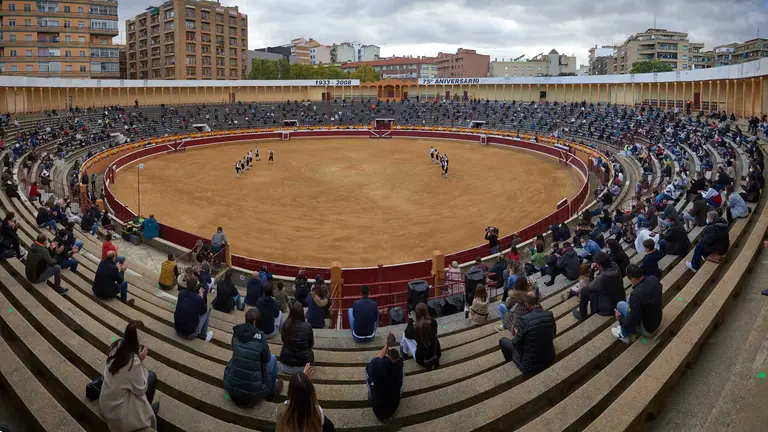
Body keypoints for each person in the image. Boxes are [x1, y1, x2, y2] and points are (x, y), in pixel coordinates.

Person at [99, 320, 159, 432]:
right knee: (151, 377)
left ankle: (147, 410)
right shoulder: (133, 362)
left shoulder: (116, 345)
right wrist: (140, 361)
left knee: (147, 378)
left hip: (106, 401)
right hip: (117, 413)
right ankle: (147, 412)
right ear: (138, 343)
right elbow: (141, 389)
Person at [223, 308, 283, 407]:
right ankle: (271, 392)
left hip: (232, 390)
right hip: (253, 395)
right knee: (272, 358)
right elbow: (266, 359)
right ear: (255, 322)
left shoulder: (236, 332)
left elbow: (234, 349)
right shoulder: (261, 337)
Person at [498, 290, 556, 375]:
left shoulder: (525, 320)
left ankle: (511, 363)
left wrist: (518, 333)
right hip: (549, 358)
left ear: (527, 305)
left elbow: (516, 344)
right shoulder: (549, 314)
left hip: (529, 365)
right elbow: (553, 334)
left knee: (502, 341)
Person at [611, 264, 662, 344]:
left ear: (633, 279)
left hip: (648, 329)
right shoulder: (653, 279)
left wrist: (620, 318)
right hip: (657, 319)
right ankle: (630, 331)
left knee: (620, 305)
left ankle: (624, 334)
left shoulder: (636, 295)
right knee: (629, 298)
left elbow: (633, 320)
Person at [275, 366, 334, 431]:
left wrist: (302, 382)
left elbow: (290, 402)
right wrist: (305, 383)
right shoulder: (318, 412)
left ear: (290, 391)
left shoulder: (280, 410)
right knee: (328, 426)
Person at [573, 252, 625, 321]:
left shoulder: (602, 278)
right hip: (619, 298)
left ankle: (582, 316)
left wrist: (591, 270)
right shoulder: (615, 266)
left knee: (584, 291)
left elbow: (589, 285)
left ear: (600, 265)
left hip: (609, 307)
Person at [365, 333, 404, 421]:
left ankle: (371, 394)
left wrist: (387, 345)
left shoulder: (376, 365)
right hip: (393, 407)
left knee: (368, 372)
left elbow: (375, 361)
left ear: (387, 354)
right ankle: (400, 392)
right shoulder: (400, 365)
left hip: (378, 410)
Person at [279, 302, 315, 374]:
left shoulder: (286, 325)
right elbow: (311, 344)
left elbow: (283, 340)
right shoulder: (308, 326)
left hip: (286, 365)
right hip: (303, 367)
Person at [402, 302, 441, 369]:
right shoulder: (433, 322)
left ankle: (405, 353)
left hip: (423, 360)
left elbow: (407, 334)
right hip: (436, 354)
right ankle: (404, 353)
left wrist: (410, 320)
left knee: (404, 335)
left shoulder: (415, 327)